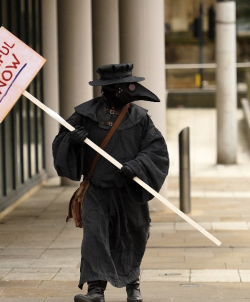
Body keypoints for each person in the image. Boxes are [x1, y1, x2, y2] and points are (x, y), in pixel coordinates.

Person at [52, 63, 169, 302]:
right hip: (97, 189)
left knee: (133, 234)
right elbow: (61, 141)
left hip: (129, 190)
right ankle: (96, 290)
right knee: (95, 236)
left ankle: (133, 286)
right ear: (110, 89)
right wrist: (73, 141)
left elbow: (156, 150)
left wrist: (136, 166)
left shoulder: (140, 118)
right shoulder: (85, 115)